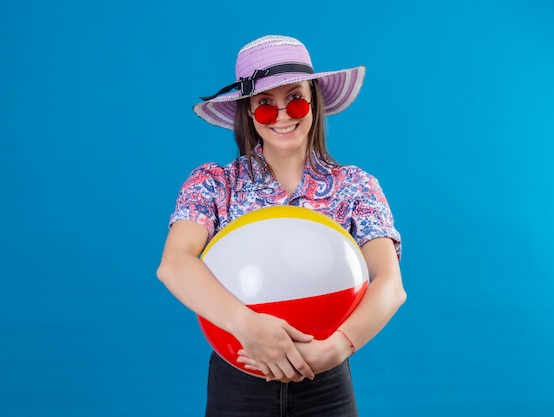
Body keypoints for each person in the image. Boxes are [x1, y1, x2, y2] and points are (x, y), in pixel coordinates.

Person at [157, 34, 406, 417]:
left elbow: (390, 285)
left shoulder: (356, 186)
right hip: (238, 380)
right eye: (265, 106)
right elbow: (174, 264)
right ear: (248, 113)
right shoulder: (213, 183)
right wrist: (246, 325)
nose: (284, 115)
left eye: (295, 98)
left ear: (314, 102)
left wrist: (337, 347)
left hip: (326, 380)